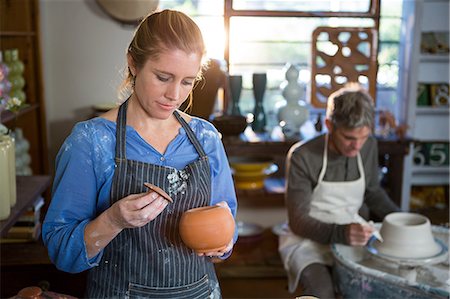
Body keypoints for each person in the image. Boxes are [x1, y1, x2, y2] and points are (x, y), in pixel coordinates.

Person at [42, 9, 238, 299]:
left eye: (187, 81)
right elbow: (62, 253)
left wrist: (222, 243)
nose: (174, 94)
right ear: (133, 63)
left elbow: (226, 226)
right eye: (163, 77)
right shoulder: (91, 141)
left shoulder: (205, 138)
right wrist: (112, 221)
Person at [278, 84, 400, 299]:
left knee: (375, 288)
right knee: (322, 292)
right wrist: (340, 233)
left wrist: (401, 219)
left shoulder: (368, 146)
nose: (357, 146)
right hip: (307, 240)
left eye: (363, 137)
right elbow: (298, 221)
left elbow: (373, 192)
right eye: (349, 138)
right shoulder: (302, 156)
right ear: (329, 125)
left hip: (352, 234)